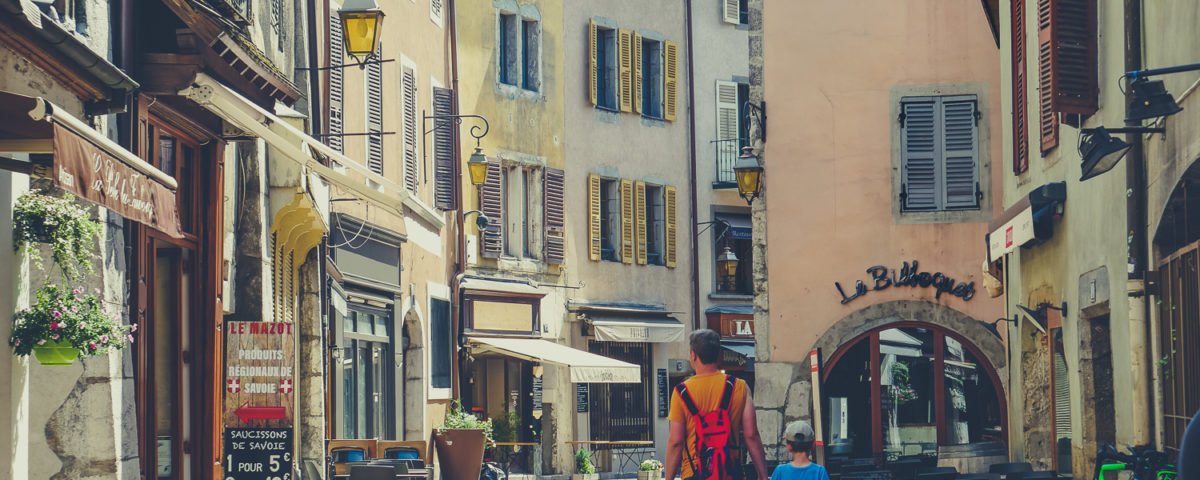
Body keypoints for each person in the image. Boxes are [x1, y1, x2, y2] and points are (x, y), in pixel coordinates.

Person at [664, 329, 769, 480]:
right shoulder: (739, 386)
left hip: (694, 472)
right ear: (719, 355)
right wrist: (763, 476)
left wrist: (669, 478)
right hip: (730, 471)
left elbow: (676, 442)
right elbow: (751, 434)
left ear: (693, 355)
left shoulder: (681, 392)